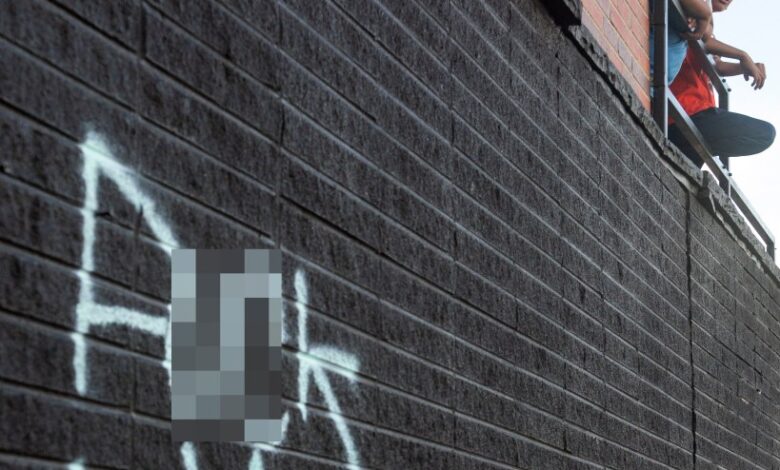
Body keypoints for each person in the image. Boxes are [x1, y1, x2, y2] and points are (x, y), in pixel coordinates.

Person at [668, 0, 775, 167]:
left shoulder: (706, 26)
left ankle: (696, 147)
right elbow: (705, 39)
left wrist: (746, 66)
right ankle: (697, 145)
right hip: (687, 111)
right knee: (764, 133)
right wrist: (742, 55)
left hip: (696, 117)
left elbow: (718, 65)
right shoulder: (693, 12)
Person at [650, 0, 712, 84]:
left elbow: (707, 33)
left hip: (656, 84)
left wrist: (700, 14)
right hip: (641, 66)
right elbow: (705, 15)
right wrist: (704, 13)